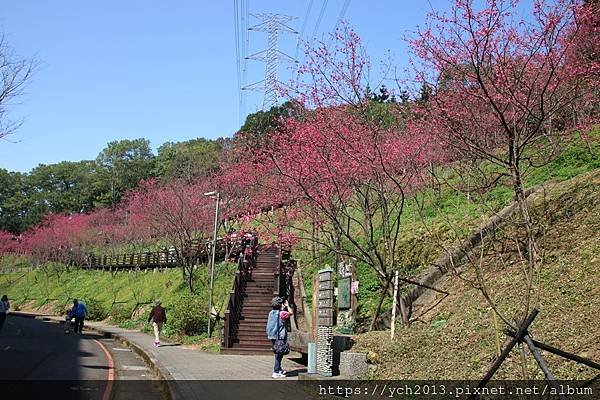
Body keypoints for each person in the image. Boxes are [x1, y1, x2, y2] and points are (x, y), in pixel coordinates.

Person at [266, 297, 290, 378]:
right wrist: (287, 306)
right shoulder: (281, 313)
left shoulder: (271, 313)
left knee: (278, 352)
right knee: (279, 354)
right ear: (280, 305)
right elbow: (291, 313)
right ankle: (276, 371)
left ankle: (279, 369)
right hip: (280, 336)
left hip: (273, 335)